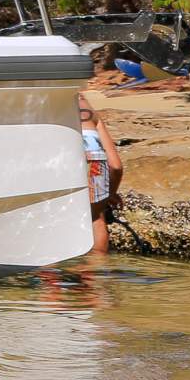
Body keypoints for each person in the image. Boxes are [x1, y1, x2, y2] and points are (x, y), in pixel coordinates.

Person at [79, 93, 123, 257]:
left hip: (61, 152)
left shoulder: (41, 102)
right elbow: (116, 166)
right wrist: (109, 194)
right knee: (95, 218)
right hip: (93, 154)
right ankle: (96, 267)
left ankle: (49, 270)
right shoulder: (89, 111)